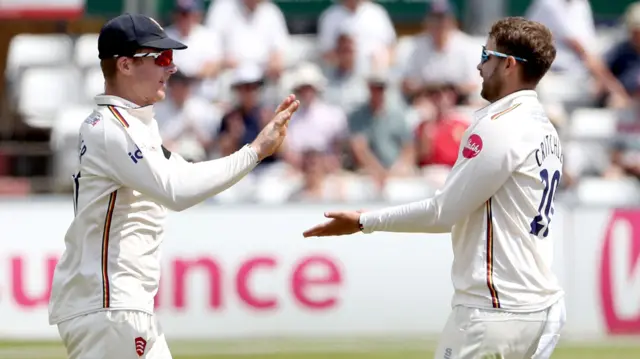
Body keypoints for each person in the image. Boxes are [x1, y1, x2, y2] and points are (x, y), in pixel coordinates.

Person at [304, 17, 565, 359]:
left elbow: (442, 213)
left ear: (510, 64)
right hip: (541, 308)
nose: (479, 64)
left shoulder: (498, 126)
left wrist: (364, 221)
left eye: (487, 55)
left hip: (495, 311)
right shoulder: (544, 126)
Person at [47, 13, 299, 359]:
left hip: (120, 306)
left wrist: (255, 149)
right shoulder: (112, 127)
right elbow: (176, 191)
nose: (172, 68)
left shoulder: (135, 124)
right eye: (162, 57)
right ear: (125, 65)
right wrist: (255, 153)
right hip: (110, 306)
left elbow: (185, 175)